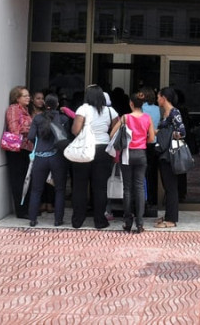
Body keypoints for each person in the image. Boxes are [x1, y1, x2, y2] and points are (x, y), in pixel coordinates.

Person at [71, 84, 117, 229]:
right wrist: (107, 136)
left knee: (80, 186)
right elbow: (117, 127)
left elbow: (75, 130)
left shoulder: (83, 109)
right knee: (100, 187)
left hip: (85, 148)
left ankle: (78, 220)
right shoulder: (110, 110)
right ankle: (99, 221)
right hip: (103, 149)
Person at [110, 92, 155, 233]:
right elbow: (152, 139)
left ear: (131, 103)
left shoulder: (125, 117)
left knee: (127, 189)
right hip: (141, 154)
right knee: (140, 187)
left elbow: (112, 134)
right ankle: (140, 223)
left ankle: (128, 221)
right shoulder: (148, 118)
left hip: (127, 154)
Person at [26, 94, 70, 227]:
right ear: (57, 104)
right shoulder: (63, 118)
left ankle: (33, 219)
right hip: (57, 157)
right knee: (60, 189)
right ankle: (58, 220)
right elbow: (65, 137)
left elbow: (31, 136)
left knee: (36, 190)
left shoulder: (38, 118)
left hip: (40, 157)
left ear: (45, 104)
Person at [154, 87, 186, 228]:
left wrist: (170, 135)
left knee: (171, 186)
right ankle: (168, 215)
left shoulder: (174, 112)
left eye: (158, 97)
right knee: (167, 186)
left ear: (164, 98)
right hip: (164, 154)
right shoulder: (166, 113)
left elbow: (182, 132)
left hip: (171, 154)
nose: (157, 99)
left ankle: (171, 219)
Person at [4, 86, 33, 219]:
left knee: (25, 179)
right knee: (18, 180)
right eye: (25, 96)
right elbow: (14, 129)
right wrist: (32, 127)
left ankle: (25, 207)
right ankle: (21, 211)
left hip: (26, 148)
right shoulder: (14, 109)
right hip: (16, 149)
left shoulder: (25, 110)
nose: (28, 98)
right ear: (17, 98)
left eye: (28, 95)